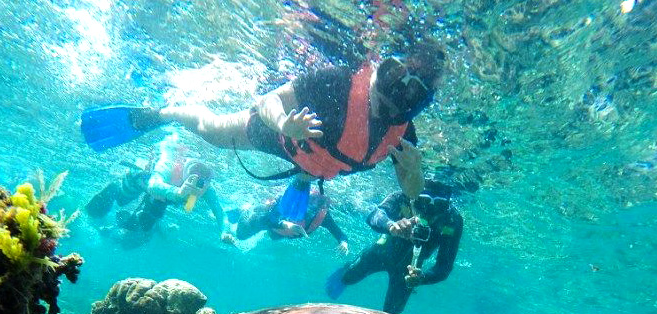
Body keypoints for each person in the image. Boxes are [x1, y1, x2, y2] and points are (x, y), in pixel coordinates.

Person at [81, 43, 446, 200]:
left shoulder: (404, 136)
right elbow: (268, 99)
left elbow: (412, 194)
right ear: (382, 68)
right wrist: (284, 123)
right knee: (212, 131)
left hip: (313, 162)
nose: (397, 95)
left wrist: (414, 173)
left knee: (310, 173)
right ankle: (160, 114)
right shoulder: (337, 81)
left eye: (415, 91)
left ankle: (302, 183)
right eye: (396, 75)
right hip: (279, 133)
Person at [325, 178, 462, 314]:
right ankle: (346, 270)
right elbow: (374, 215)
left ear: (447, 205)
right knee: (347, 278)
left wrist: (422, 278)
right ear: (414, 198)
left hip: (408, 272)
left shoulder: (452, 220)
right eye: (423, 201)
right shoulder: (402, 197)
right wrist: (391, 226)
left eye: (439, 205)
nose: (428, 211)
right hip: (380, 253)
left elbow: (444, 266)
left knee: (391, 313)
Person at [85, 133, 229, 243]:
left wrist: (225, 231)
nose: (197, 178)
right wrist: (178, 192)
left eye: (205, 177)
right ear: (184, 168)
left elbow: (220, 213)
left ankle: (114, 232)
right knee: (122, 197)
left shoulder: (207, 189)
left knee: (144, 226)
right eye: (194, 172)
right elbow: (153, 185)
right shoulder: (169, 165)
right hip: (144, 181)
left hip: (163, 197)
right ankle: (109, 194)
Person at [228, 174, 349, 254]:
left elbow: (340, 234)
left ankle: (247, 213)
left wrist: (343, 243)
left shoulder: (323, 216)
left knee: (270, 235)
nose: (314, 205)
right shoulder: (293, 203)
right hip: (271, 220)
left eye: (319, 203)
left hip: (279, 231)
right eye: (312, 200)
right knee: (242, 234)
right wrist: (286, 225)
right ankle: (244, 209)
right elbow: (272, 218)